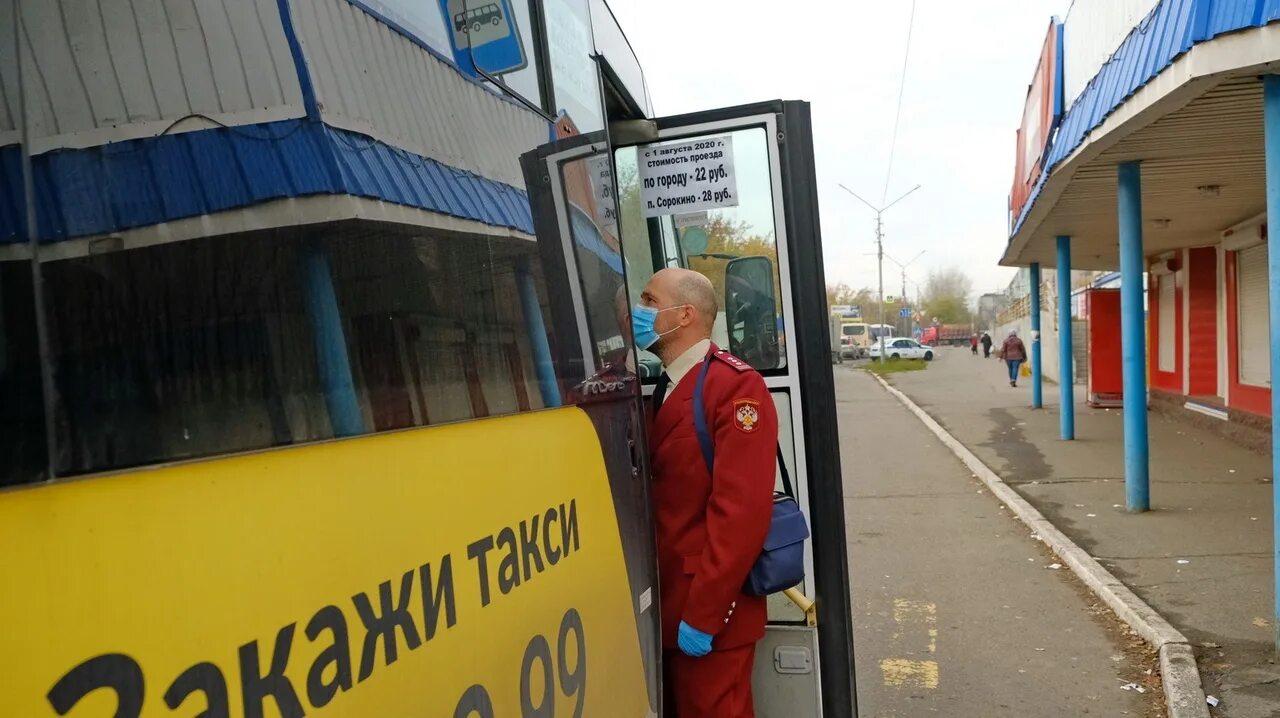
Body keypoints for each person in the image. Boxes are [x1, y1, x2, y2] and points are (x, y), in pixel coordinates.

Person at [635, 267, 777, 718]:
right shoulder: (661, 385)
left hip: (709, 614)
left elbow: (741, 516)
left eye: (649, 301)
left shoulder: (734, 387)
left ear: (685, 315)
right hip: (666, 610)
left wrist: (703, 616)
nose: (638, 312)